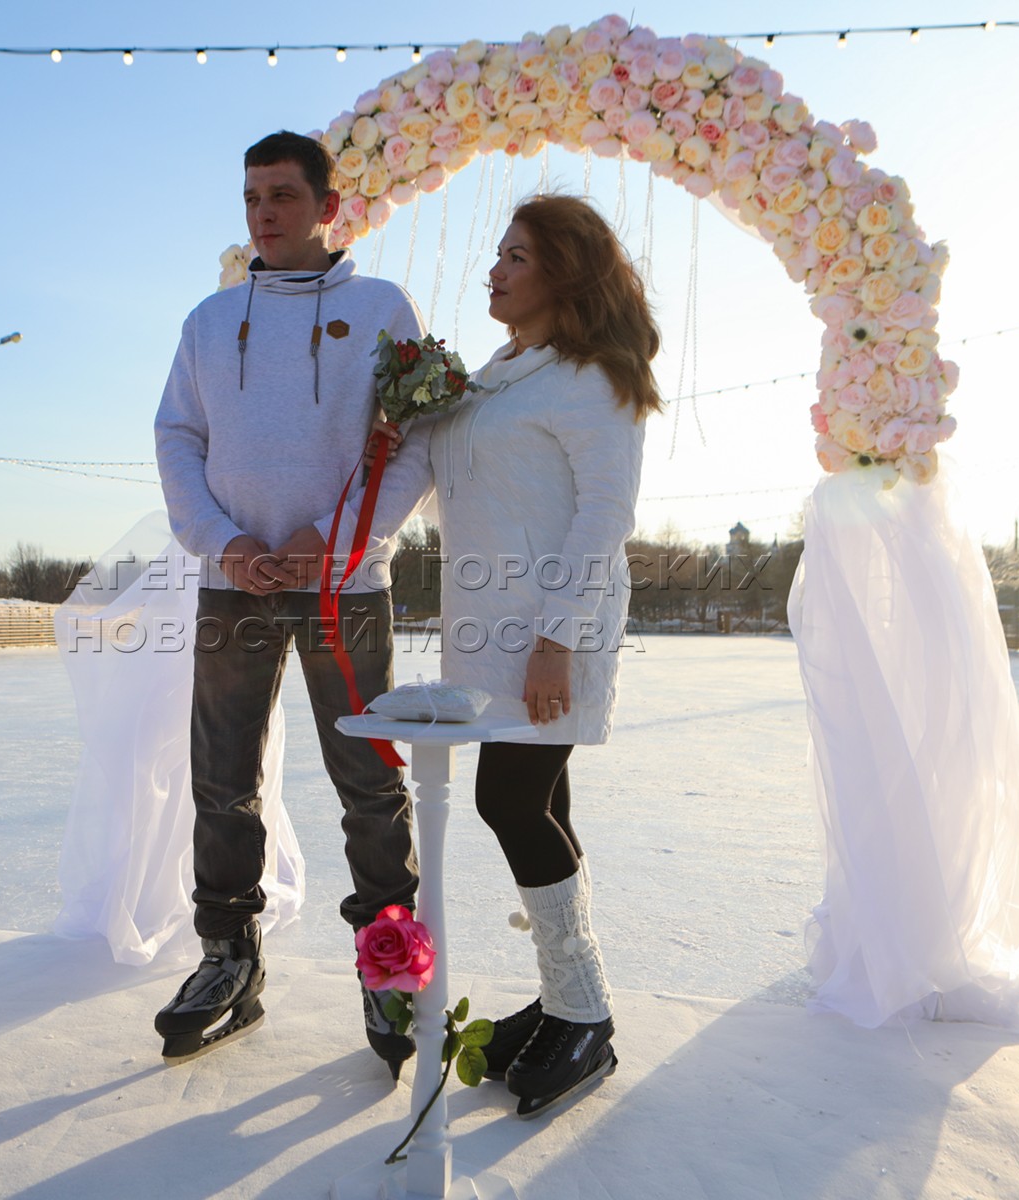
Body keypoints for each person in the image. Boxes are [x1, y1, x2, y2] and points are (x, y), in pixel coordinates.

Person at [151, 131, 433, 1076]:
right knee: (222, 779)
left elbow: (416, 441)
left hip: (343, 587)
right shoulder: (209, 320)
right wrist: (223, 541)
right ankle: (228, 958)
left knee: (369, 781)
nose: (263, 213)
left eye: (281, 195)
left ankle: (390, 967)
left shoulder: (381, 307)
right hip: (235, 583)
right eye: (251, 197)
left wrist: (332, 536)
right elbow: (178, 437)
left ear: (327, 207)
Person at [381, 194, 654, 1117]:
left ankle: (585, 1012)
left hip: (550, 634)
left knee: (509, 799)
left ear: (565, 272)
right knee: (541, 801)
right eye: (497, 254)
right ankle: (562, 1001)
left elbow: (605, 515)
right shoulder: (494, 376)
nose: (494, 271)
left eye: (517, 257)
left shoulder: (592, 379)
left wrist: (556, 640)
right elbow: (452, 488)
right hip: (487, 630)